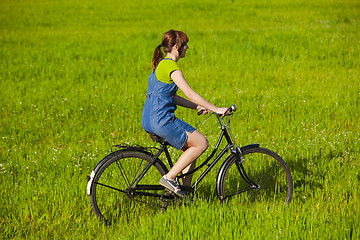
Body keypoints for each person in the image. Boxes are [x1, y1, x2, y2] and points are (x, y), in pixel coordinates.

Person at [142, 29, 229, 197]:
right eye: (185, 44)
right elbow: (190, 93)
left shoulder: (160, 65)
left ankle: (185, 194)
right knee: (202, 143)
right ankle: (169, 178)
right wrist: (216, 109)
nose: (187, 47)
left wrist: (196, 107)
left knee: (191, 149)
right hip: (162, 120)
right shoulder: (171, 67)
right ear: (176, 47)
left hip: (149, 119)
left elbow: (172, 96)